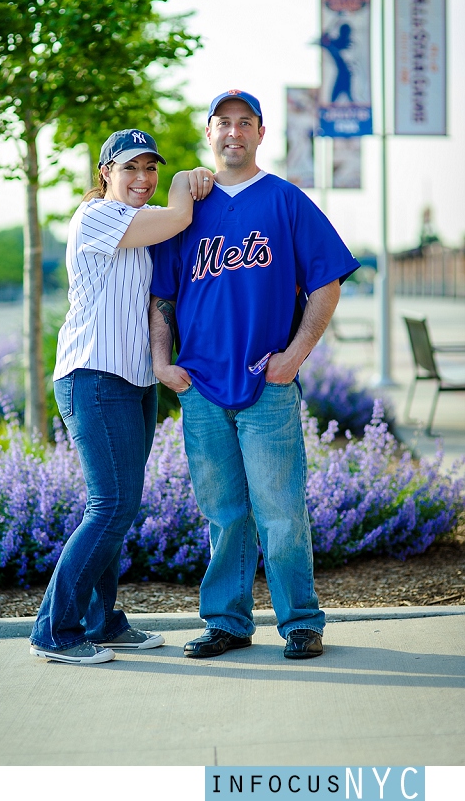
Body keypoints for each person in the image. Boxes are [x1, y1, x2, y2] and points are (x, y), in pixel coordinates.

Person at [149, 91, 359, 660]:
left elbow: (328, 281)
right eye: (224, 123)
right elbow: (163, 294)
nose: (234, 132)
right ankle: (227, 623)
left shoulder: (286, 201)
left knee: (282, 511)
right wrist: (161, 361)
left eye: (246, 123)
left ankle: (300, 623)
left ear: (261, 134)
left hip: (267, 386)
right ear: (210, 133)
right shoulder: (188, 208)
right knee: (224, 514)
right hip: (199, 388)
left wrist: (295, 355)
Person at [30, 128, 213, 665]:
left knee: (119, 508)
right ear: (105, 172)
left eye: (152, 169)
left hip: (134, 379)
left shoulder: (143, 220)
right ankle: (54, 631)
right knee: (110, 506)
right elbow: (181, 216)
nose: (143, 178)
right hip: (94, 374)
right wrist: (186, 180)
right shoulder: (97, 216)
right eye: (131, 168)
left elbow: (166, 284)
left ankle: (102, 622)